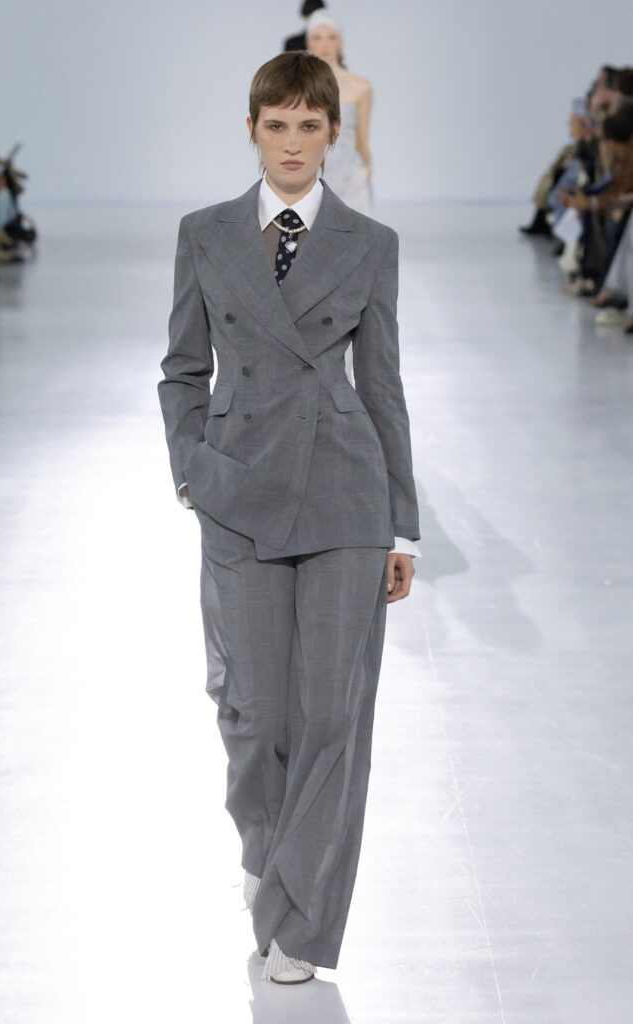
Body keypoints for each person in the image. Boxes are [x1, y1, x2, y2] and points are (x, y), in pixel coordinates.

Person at [157, 50, 421, 985]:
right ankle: (266, 855)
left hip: (344, 489)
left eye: (311, 126)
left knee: (331, 715)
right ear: (252, 130)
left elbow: (380, 383)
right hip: (238, 488)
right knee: (252, 709)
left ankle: (298, 922)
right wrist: (192, 471)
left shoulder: (369, 243)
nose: (294, 143)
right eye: (278, 126)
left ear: (331, 134)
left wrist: (401, 524)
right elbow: (182, 367)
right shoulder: (203, 233)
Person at [305, 9, 373, 215]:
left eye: (331, 37)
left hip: (351, 177)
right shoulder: (297, 87)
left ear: (340, 41)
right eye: (318, 37)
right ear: (309, 42)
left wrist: (368, 169)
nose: (324, 44)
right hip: (310, 176)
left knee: (355, 232)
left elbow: (362, 140)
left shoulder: (361, 87)